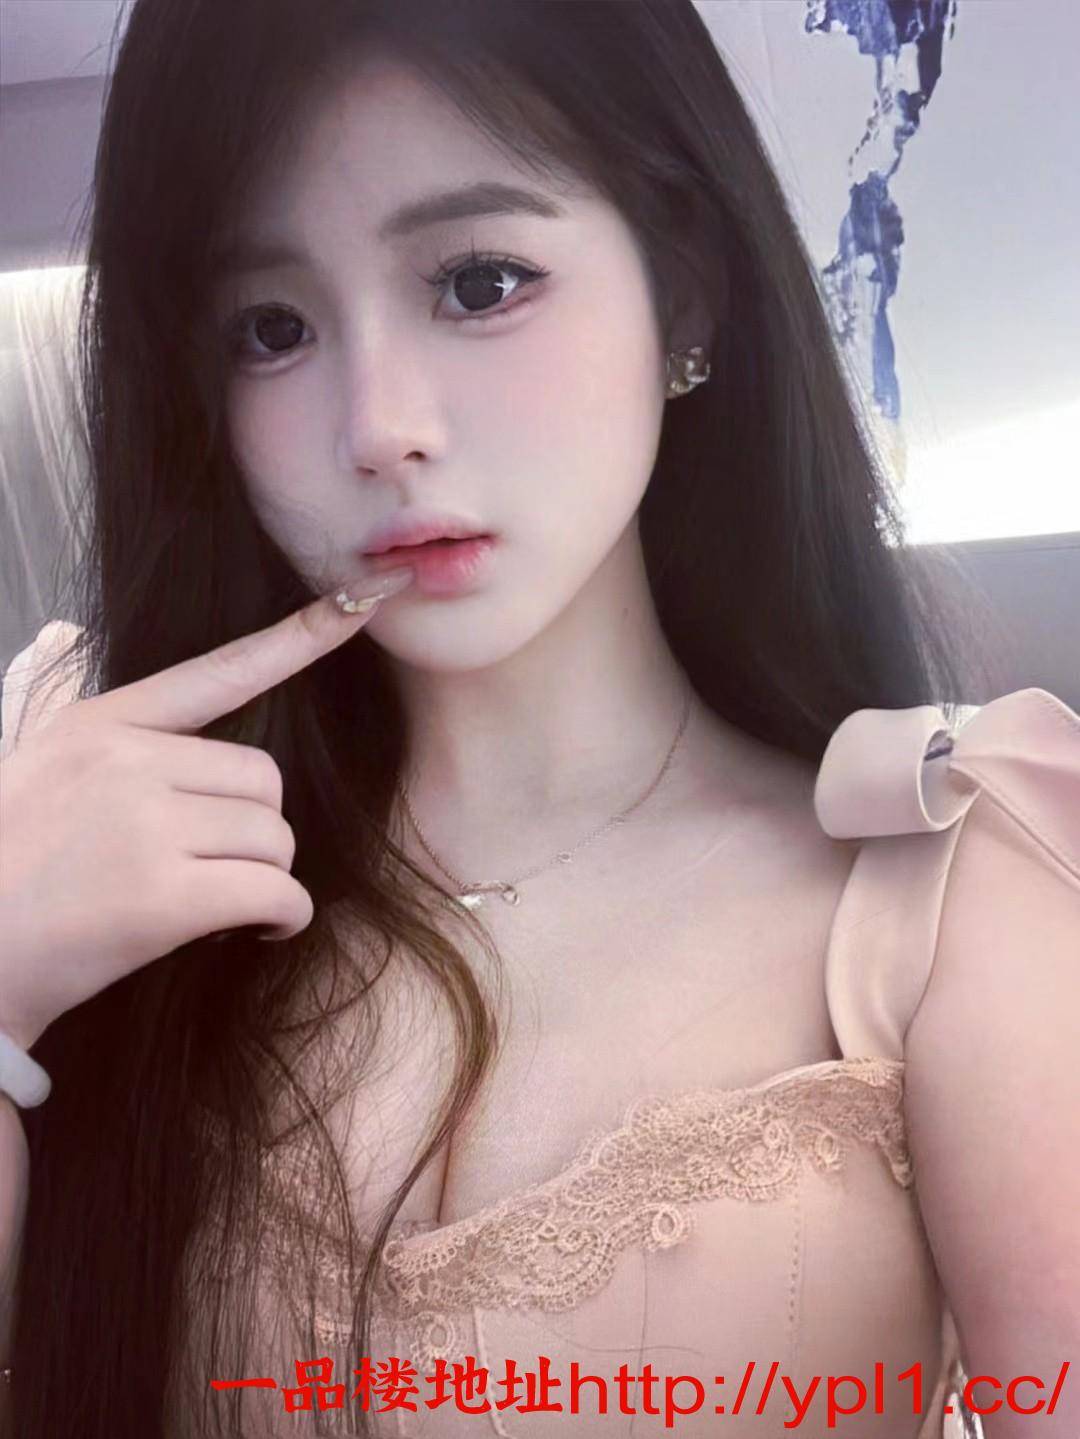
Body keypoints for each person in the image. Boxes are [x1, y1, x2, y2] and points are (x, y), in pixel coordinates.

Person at [0, 1, 1077, 1436]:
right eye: (273, 328)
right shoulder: (87, 797)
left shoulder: (949, 885)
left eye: (480, 282)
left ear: (684, 297)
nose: (380, 425)